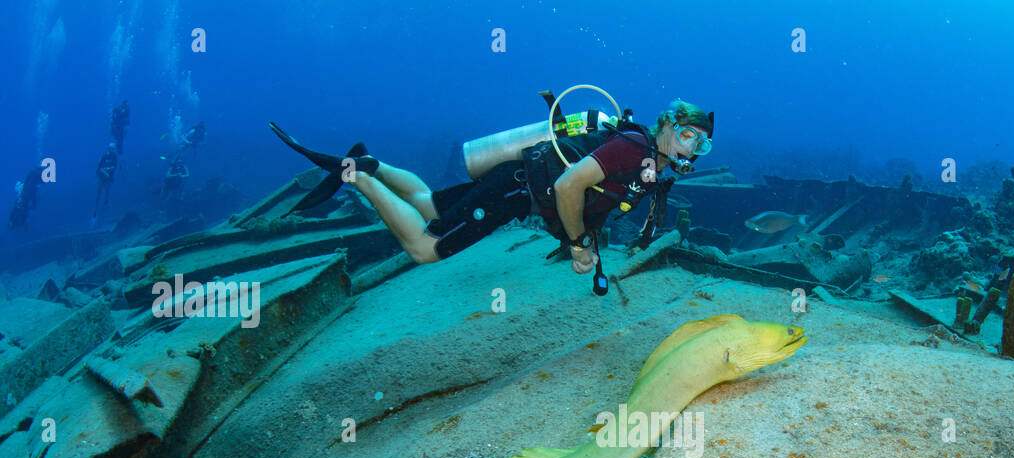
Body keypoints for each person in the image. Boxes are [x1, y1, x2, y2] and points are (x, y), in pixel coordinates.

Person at [268, 99, 713, 277]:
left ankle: (371, 162)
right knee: (425, 249)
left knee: (426, 203)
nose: (693, 145)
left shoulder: (646, 160)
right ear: (668, 125)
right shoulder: (632, 151)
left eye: (702, 141)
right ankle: (357, 176)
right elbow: (568, 186)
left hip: (514, 180)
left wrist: (584, 236)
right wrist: (579, 244)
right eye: (689, 133)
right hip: (512, 192)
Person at [92, 142, 119, 220]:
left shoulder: (114, 157)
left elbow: (114, 167)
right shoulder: (104, 156)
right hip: (101, 177)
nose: (112, 150)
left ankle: (105, 206)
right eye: (111, 149)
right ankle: (96, 209)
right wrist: (104, 171)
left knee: (107, 192)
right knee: (98, 193)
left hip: (108, 178)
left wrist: (108, 172)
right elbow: (99, 168)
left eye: (113, 149)